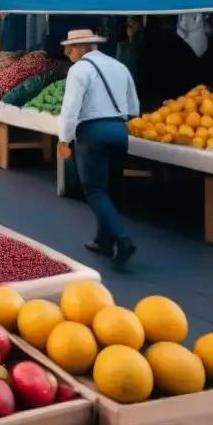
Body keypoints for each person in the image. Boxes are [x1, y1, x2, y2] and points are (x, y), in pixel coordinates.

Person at [57, 29, 140, 269]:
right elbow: (133, 105)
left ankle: (122, 239)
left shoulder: (79, 70)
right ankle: (103, 240)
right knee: (111, 188)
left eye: (70, 48)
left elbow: (70, 109)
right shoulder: (119, 66)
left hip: (92, 133)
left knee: (93, 189)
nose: (66, 52)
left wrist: (64, 139)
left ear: (83, 47)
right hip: (119, 131)